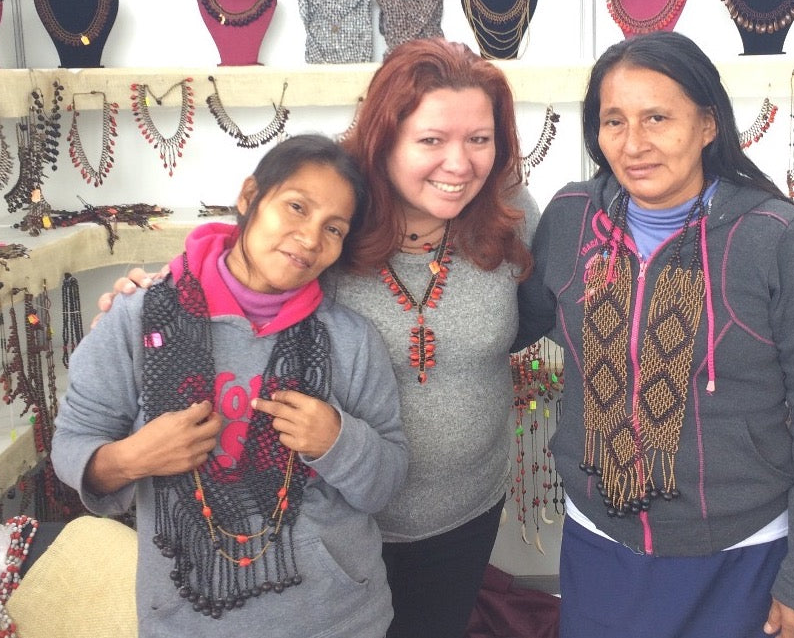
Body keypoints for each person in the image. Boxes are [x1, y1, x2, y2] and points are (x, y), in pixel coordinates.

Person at [96, 37, 539, 638]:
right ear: (385, 139)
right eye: (431, 140)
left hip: (463, 511)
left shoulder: (509, 211)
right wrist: (151, 297)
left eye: (479, 140)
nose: (458, 164)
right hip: (322, 530)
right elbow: (240, 265)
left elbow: (536, 313)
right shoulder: (336, 212)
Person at [515, 31, 794, 638]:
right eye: (613, 121)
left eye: (657, 118)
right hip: (601, 540)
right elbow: (510, 321)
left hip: (741, 551)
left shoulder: (777, 241)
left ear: (707, 125)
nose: (634, 144)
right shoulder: (571, 219)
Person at [52, 134, 409, 638]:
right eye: (296, 207)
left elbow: (387, 481)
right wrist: (134, 458)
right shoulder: (140, 319)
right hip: (188, 622)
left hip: (336, 619)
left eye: (333, 228)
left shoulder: (349, 339)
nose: (309, 238)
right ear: (249, 197)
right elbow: (71, 444)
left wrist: (337, 441)